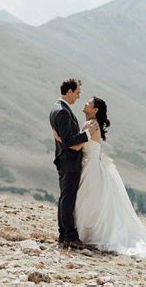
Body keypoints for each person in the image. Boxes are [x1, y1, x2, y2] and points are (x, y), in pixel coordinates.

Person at [54, 96, 146, 261]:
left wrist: (60, 139)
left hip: (90, 167)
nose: (85, 103)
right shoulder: (92, 123)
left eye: (89, 102)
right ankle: (81, 233)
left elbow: (76, 146)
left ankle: (83, 234)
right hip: (91, 165)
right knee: (87, 200)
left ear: (95, 109)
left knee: (85, 200)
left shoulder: (90, 124)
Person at [49, 78, 98, 249]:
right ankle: (69, 236)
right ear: (69, 91)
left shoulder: (56, 108)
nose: (78, 97)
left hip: (64, 159)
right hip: (69, 160)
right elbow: (69, 141)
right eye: (77, 93)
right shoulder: (63, 112)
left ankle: (64, 234)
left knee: (65, 198)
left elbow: (63, 137)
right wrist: (87, 134)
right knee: (68, 199)